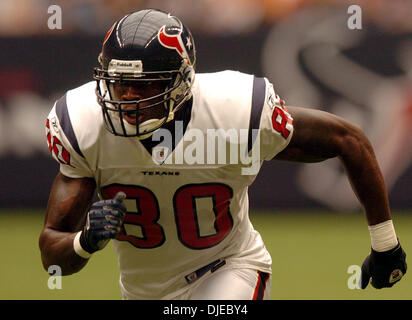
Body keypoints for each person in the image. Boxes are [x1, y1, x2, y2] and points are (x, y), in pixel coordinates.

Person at [39, 9, 406, 300]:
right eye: (120, 84)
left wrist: (385, 243)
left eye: (144, 84)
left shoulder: (235, 110)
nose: (129, 98)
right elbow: (52, 254)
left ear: (181, 81)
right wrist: (84, 241)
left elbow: (348, 139)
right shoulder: (83, 122)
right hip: (143, 291)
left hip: (229, 267)